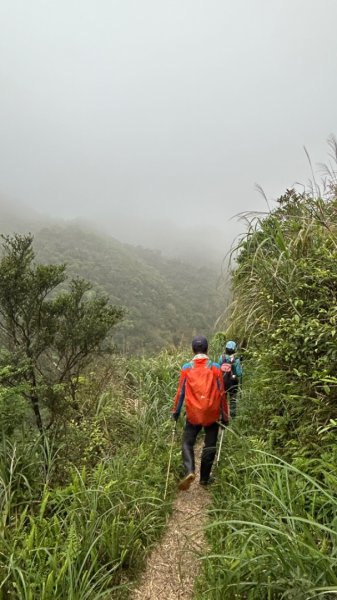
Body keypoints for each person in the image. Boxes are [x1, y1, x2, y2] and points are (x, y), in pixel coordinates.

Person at [172, 335, 229, 491]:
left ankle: (190, 470)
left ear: (192, 350)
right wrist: (225, 416)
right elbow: (221, 393)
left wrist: (175, 412)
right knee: (209, 445)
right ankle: (204, 479)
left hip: (194, 414)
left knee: (187, 442)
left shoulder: (186, 368)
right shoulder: (215, 367)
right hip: (212, 413)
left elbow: (181, 392)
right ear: (207, 349)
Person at [219, 340, 242, 418]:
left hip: (223, 381)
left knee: (223, 400)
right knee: (233, 400)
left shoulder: (221, 357)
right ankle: (233, 417)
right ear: (234, 349)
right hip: (233, 383)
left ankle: (223, 416)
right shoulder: (236, 360)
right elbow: (239, 373)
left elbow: (219, 369)